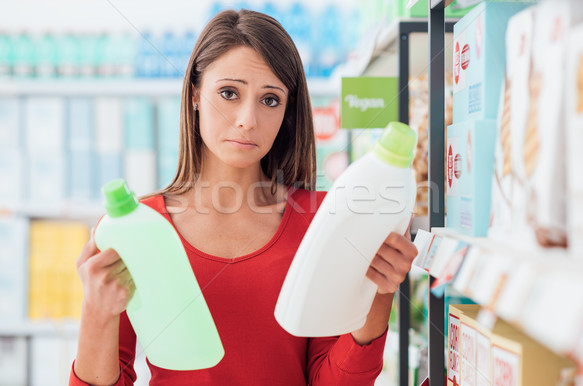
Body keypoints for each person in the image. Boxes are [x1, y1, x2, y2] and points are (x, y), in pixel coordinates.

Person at [70, 9, 418, 386]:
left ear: (287, 111)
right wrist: (96, 311)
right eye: (229, 93)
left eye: (270, 100)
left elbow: (332, 381)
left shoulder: (321, 219)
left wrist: (379, 291)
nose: (247, 120)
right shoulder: (139, 230)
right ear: (195, 96)